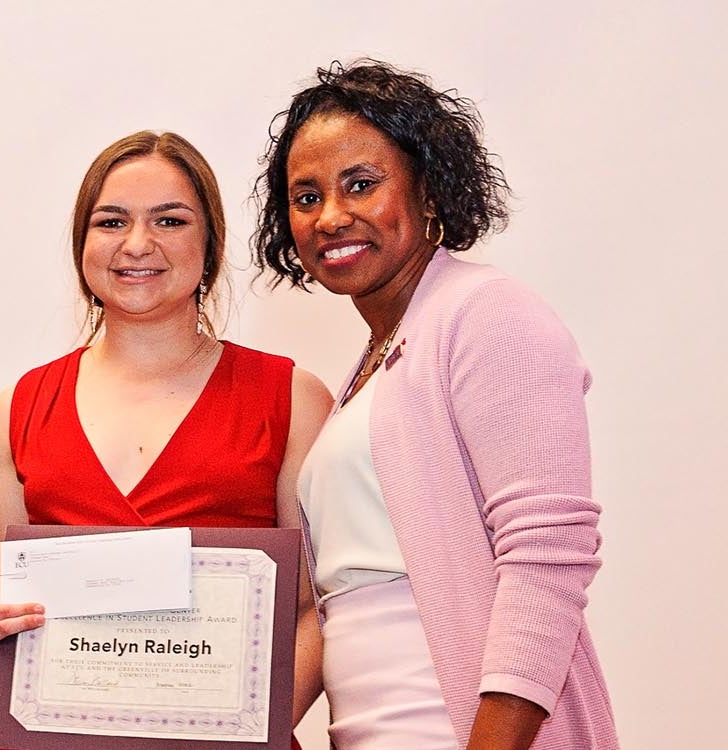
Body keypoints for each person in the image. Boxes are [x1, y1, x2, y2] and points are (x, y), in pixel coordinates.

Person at [252, 60, 617, 749]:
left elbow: (545, 559)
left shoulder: (486, 313)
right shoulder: (377, 359)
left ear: (428, 190)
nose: (330, 216)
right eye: (305, 197)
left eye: (361, 184)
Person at [0, 131, 331, 736]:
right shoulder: (15, 409)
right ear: (82, 242)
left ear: (209, 243)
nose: (138, 244)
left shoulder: (291, 398)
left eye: (170, 220)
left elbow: (314, 607)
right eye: (111, 221)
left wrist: (240, 738)